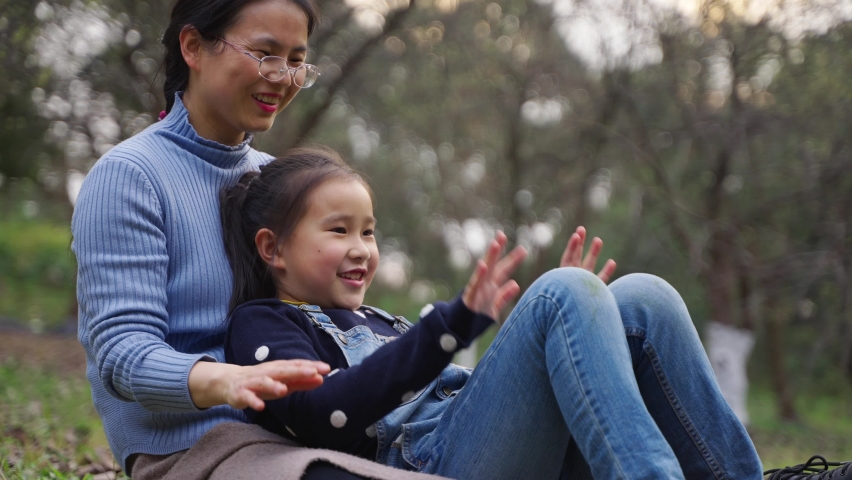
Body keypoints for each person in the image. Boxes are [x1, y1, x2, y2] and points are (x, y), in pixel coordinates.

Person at [219, 148, 766, 479]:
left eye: (368, 230)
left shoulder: (384, 320)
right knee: (560, 294)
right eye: (339, 230)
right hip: (431, 466)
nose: (362, 247)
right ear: (274, 249)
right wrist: (451, 326)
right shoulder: (264, 324)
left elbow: (481, 401)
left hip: (483, 448)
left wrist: (584, 326)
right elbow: (324, 415)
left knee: (643, 298)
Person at [71, 0, 444, 478]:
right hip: (197, 450)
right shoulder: (129, 177)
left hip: (304, 433)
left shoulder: (274, 179)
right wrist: (230, 380)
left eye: (296, 61)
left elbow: (328, 312)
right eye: (266, 53)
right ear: (193, 46)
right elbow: (123, 356)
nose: (284, 77)